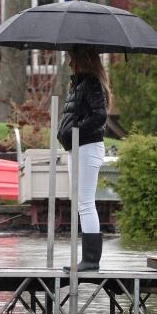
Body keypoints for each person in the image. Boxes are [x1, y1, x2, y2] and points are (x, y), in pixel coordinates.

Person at [57, 46, 108, 272]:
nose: (70, 64)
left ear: (82, 60)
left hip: (87, 147)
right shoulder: (78, 83)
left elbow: (100, 115)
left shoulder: (90, 82)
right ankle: (88, 259)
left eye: (73, 59)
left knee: (86, 203)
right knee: (81, 203)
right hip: (78, 147)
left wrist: (76, 129)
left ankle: (90, 260)